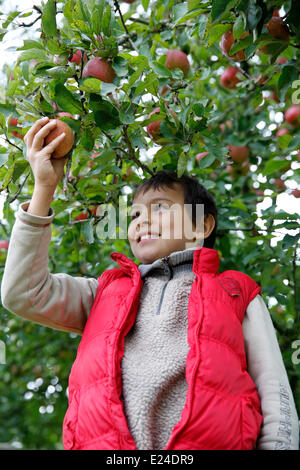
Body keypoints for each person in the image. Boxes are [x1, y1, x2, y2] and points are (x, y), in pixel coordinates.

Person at [1, 117, 299, 450]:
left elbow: (275, 396)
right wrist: (44, 189)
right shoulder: (105, 294)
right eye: (135, 215)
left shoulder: (235, 293)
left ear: (201, 226)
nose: (142, 221)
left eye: (158, 208)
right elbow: (22, 294)